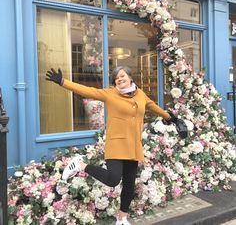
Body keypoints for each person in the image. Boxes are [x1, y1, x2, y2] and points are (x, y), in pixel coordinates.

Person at [46, 66, 178, 225]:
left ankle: (122, 218)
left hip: (134, 145)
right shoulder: (110, 94)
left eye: (122, 76)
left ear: (130, 77)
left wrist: (169, 117)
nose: (119, 79)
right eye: (116, 78)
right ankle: (80, 165)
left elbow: (152, 106)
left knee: (129, 185)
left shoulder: (141, 94)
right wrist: (63, 82)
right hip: (116, 143)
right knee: (113, 179)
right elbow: (87, 91)